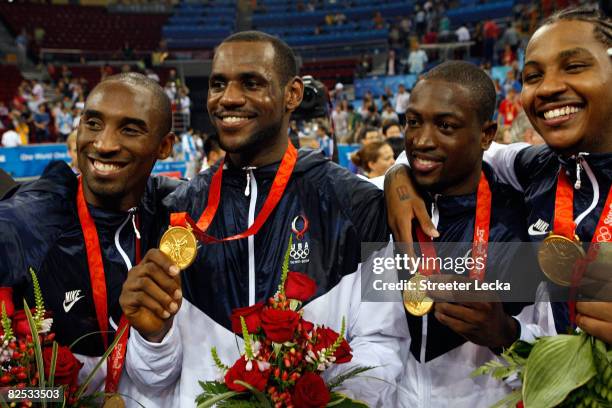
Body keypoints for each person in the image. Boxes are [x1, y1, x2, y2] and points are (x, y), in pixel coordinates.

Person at [120, 31, 407, 407]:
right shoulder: (179, 211)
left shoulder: (358, 204)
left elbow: (387, 345)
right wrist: (153, 339)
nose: (229, 98)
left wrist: (307, 392)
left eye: (251, 83)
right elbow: (154, 380)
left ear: (292, 95)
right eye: (218, 84)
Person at [385, 7, 612, 344]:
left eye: (574, 66)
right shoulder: (539, 168)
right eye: (533, 76)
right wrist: (397, 175)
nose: (547, 88)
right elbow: (449, 150)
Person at [386, 60, 554, 407]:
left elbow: (558, 353)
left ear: (486, 135)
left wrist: (506, 333)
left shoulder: (522, 223)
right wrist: (394, 175)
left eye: (446, 126)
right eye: (413, 121)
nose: (421, 140)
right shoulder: (378, 206)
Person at [0, 72, 177, 393]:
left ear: (164, 146)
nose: (104, 144)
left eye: (130, 129)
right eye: (93, 124)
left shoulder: (171, 210)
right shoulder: (29, 221)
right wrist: (49, 397)